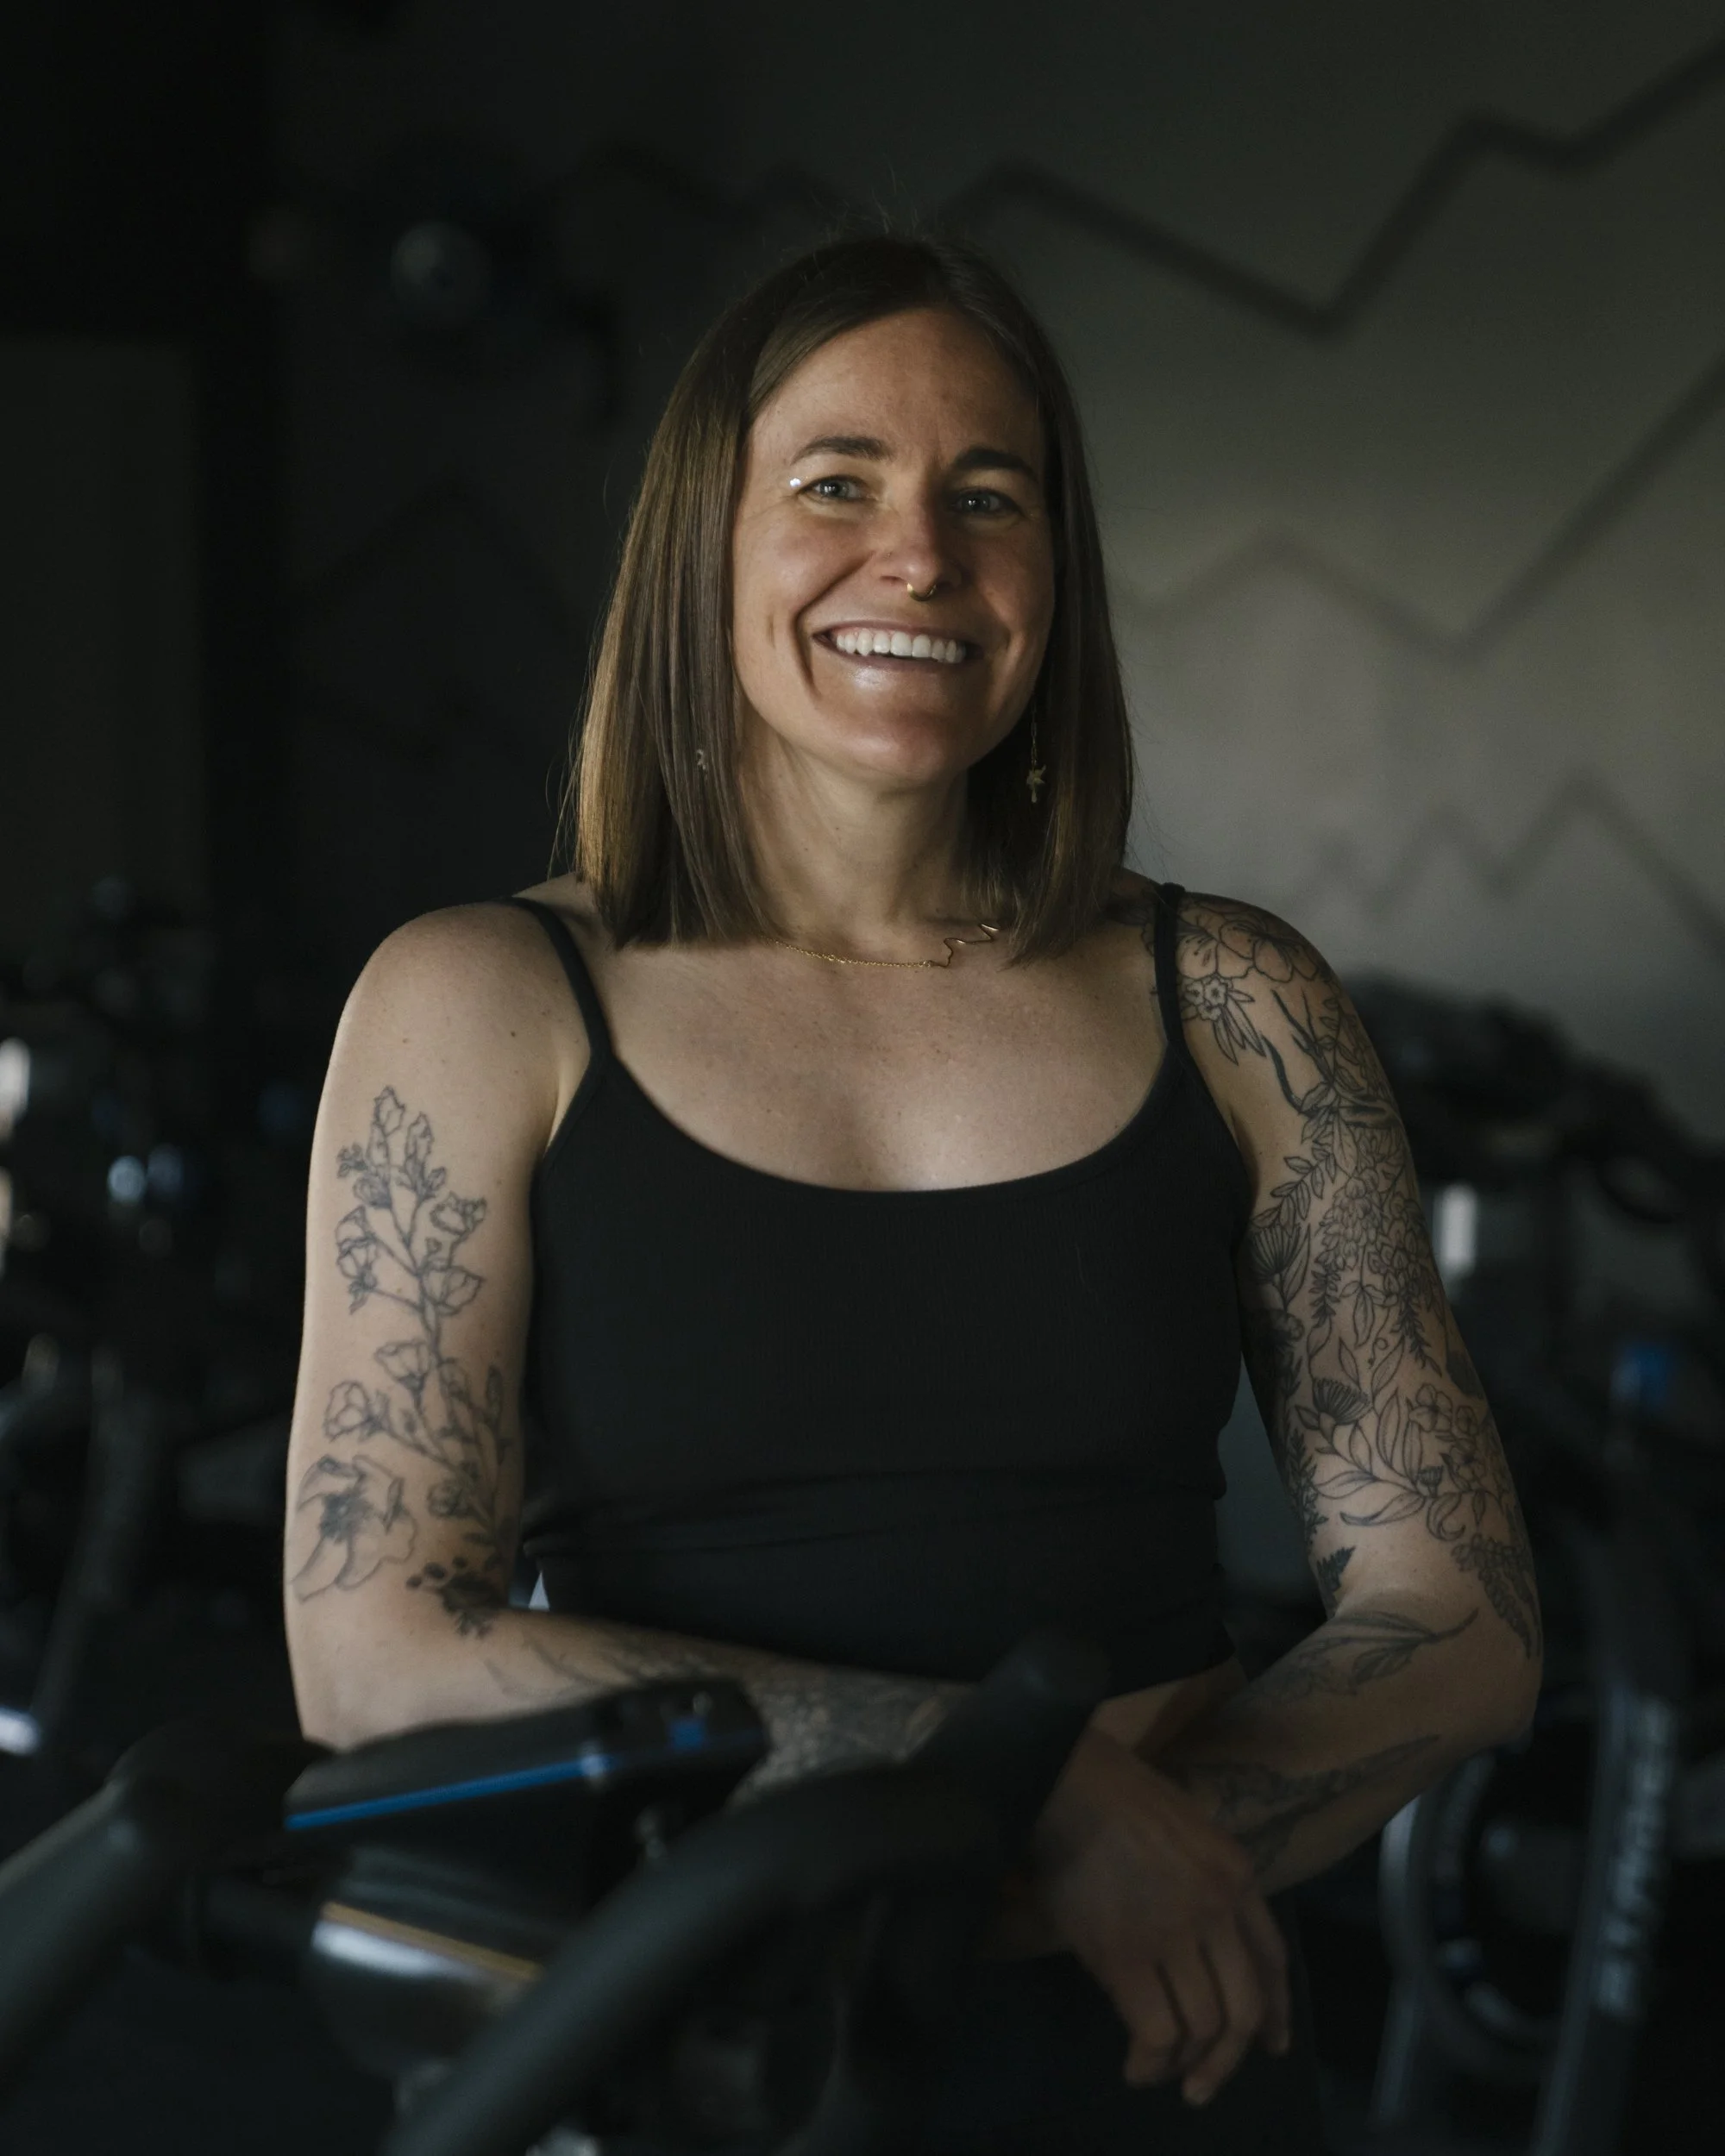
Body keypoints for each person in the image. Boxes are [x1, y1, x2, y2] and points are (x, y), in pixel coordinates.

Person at [284, 234, 1541, 2153]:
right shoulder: (480, 1001)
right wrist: (1017, 1788)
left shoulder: (1238, 1000)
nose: (923, 558)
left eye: (988, 496)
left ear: (1053, 575)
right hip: (702, 2035)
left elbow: (1454, 1610)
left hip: (1157, 2030)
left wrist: (1135, 1864)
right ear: (705, 544)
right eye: (836, 483)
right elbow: (377, 1641)